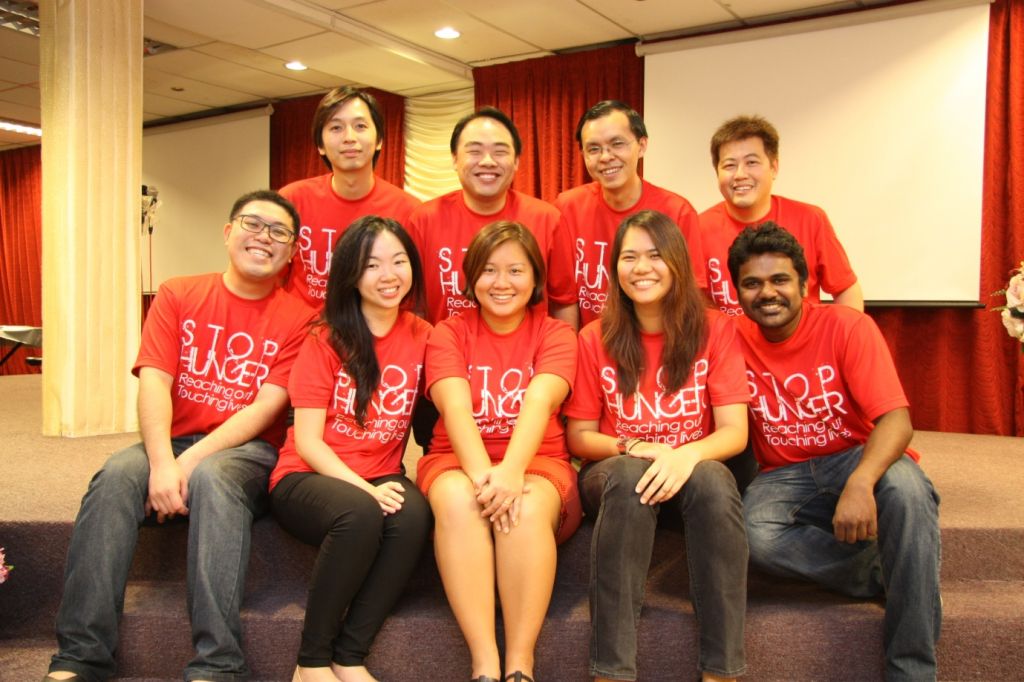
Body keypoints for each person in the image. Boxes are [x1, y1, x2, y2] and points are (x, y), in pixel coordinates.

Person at [45, 190, 314, 682]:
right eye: (253, 224)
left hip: (246, 452)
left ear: (292, 252)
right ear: (228, 231)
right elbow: (155, 381)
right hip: (173, 440)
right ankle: (81, 657)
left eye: (279, 232)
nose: (264, 238)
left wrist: (183, 466)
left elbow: (266, 407)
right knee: (116, 476)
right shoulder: (178, 293)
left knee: (213, 474)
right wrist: (163, 461)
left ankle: (218, 664)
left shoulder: (300, 318)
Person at [727, 223, 941, 681]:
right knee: (751, 534)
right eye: (752, 283)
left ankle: (912, 670)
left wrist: (861, 481)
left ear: (805, 285)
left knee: (905, 490)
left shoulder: (847, 326)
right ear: (737, 292)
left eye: (780, 280)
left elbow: (897, 421)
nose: (768, 293)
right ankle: (892, 574)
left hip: (856, 454)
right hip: (784, 474)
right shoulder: (730, 339)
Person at [565, 210, 749, 682]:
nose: (641, 268)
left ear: (677, 263)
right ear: (615, 268)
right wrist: (633, 445)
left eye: (654, 255)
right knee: (628, 478)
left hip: (688, 468)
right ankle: (612, 671)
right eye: (629, 257)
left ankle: (722, 670)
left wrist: (684, 453)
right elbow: (580, 436)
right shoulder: (594, 337)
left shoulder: (715, 329)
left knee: (713, 478)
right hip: (618, 471)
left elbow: (734, 432)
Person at [417, 221, 582, 682]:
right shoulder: (447, 332)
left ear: (535, 280)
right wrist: (484, 478)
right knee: (458, 499)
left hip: (538, 461)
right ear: (470, 279)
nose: (502, 282)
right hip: (456, 458)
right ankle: (485, 664)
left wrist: (510, 471)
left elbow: (539, 400)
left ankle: (520, 665)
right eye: (489, 270)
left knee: (525, 509)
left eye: (515, 270)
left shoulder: (555, 334)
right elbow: (454, 407)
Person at [269, 216, 432, 682]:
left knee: (414, 517)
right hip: (307, 475)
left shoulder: (423, 334)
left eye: (399, 261)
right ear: (350, 275)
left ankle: (349, 655)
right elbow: (307, 440)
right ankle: (311, 662)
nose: (389, 275)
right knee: (360, 513)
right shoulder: (324, 337)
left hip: (379, 473)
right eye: (372, 264)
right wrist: (364, 487)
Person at [408, 107, 577, 327]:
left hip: (531, 359)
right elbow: (415, 307)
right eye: (474, 151)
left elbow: (563, 302)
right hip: (447, 357)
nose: (488, 161)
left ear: (516, 161)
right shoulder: (423, 220)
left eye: (500, 152)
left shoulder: (547, 219)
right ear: (454, 159)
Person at [555, 100, 706, 326]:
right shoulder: (567, 207)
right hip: (591, 351)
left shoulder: (677, 212)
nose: (606, 157)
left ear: (642, 145)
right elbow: (564, 297)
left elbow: (689, 297)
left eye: (617, 144)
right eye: (594, 149)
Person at [700, 115, 862, 316]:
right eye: (729, 165)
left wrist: (845, 340)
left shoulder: (810, 219)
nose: (740, 174)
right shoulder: (698, 228)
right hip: (730, 346)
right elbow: (693, 305)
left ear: (774, 167)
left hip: (801, 343)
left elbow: (845, 288)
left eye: (751, 162)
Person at [280, 86, 420, 308]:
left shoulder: (409, 210)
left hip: (373, 334)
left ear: (380, 140)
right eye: (336, 127)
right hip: (303, 334)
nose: (349, 138)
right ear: (320, 145)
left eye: (360, 126)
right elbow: (271, 276)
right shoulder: (292, 201)